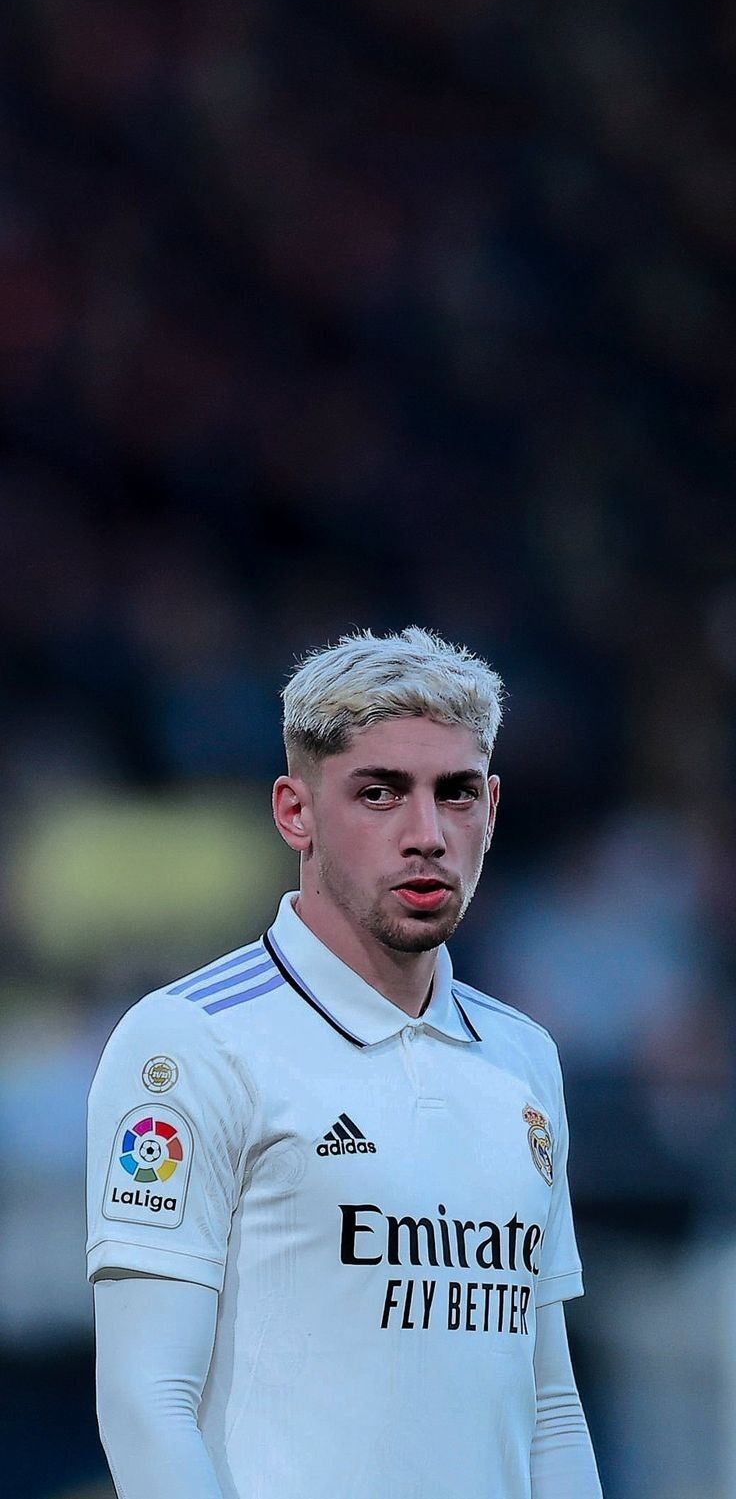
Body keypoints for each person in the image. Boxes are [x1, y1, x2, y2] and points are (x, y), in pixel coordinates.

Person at [87, 625, 602, 1498]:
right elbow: (147, 1399)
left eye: (458, 793)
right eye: (380, 792)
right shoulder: (190, 1041)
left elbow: (549, 1400)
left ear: (494, 807)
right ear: (296, 811)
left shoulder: (524, 1057)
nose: (427, 833)